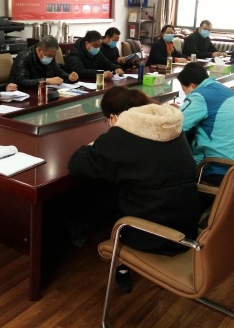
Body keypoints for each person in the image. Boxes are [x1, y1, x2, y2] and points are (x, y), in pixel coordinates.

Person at [68, 86, 206, 292]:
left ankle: (117, 259)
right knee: (121, 184)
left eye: (107, 121)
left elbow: (77, 165)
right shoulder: (171, 126)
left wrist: (91, 145)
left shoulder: (123, 134)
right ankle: (85, 227)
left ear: (113, 117)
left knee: (112, 186)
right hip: (187, 225)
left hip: (152, 235)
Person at [177, 62, 234, 185]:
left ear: (192, 86)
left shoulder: (199, 96)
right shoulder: (226, 90)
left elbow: (175, 125)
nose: (186, 94)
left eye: (185, 90)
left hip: (226, 170)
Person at [10, 36, 79, 88]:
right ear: (39, 50)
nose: (51, 58)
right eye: (49, 55)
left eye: (53, 56)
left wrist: (69, 77)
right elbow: (21, 81)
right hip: (25, 93)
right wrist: (46, 81)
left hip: (43, 90)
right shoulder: (23, 57)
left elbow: (58, 71)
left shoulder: (50, 56)